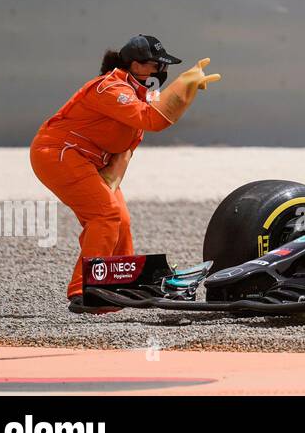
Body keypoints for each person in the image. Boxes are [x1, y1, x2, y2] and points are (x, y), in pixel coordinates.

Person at [30, 35, 221, 312]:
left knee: (120, 219)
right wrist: (183, 90)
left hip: (88, 161)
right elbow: (152, 119)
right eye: (156, 65)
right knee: (105, 215)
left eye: (164, 66)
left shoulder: (138, 93)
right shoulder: (110, 88)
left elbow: (126, 149)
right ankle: (86, 290)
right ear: (135, 65)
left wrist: (111, 180)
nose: (162, 72)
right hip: (59, 154)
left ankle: (119, 285)